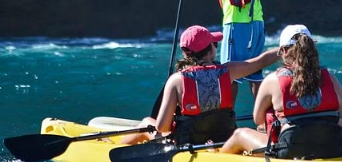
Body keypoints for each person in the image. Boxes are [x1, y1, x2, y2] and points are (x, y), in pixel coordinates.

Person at [120, 25, 279, 145]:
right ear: (209, 52)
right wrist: (289, 48)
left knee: (148, 122)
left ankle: (111, 148)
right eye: (214, 45)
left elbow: (162, 127)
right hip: (223, 138)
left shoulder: (176, 80)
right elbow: (262, 61)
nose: (216, 48)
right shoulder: (229, 71)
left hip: (188, 143)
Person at [220, 24, 342, 159]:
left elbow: (258, 119)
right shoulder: (332, 79)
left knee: (239, 134)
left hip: (289, 149)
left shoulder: (272, 81)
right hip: (334, 146)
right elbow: (340, 116)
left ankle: (214, 157)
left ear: (283, 51)